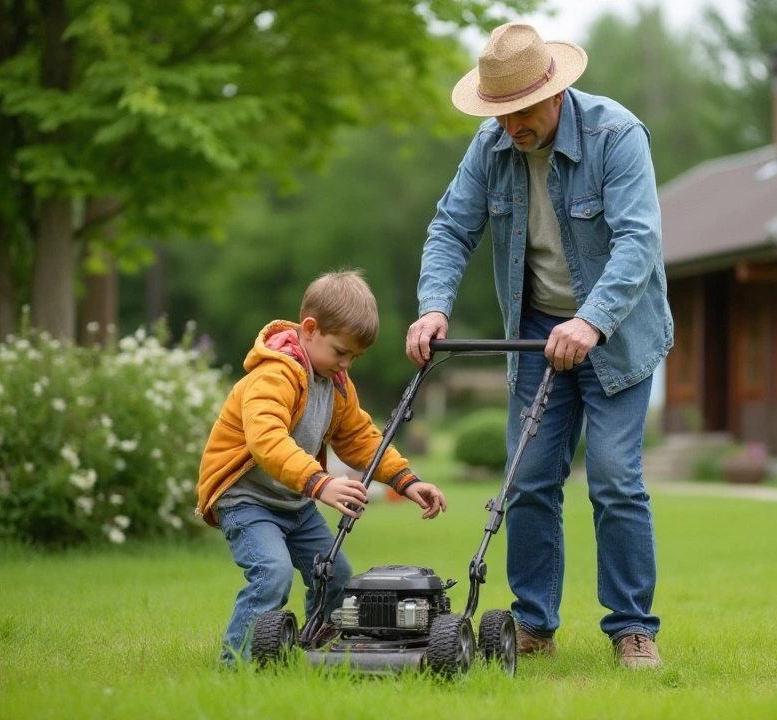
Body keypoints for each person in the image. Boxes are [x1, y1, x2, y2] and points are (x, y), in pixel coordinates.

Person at [406, 23, 672, 669]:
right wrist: (433, 305)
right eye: (498, 113)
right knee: (526, 480)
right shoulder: (492, 145)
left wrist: (591, 320)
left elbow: (638, 242)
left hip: (615, 336)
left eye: (520, 111)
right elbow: (450, 227)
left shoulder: (616, 136)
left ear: (554, 94)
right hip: (534, 336)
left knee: (613, 477)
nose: (509, 126)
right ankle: (532, 626)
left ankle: (632, 629)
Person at [198, 270, 448, 665]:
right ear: (310, 329)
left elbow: (361, 439)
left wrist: (407, 481)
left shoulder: (336, 384)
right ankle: (236, 664)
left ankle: (317, 652)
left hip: (294, 503)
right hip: (248, 501)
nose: (346, 363)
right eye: (340, 352)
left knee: (336, 579)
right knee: (272, 574)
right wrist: (320, 482)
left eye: (354, 357)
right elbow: (267, 441)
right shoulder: (273, 375)